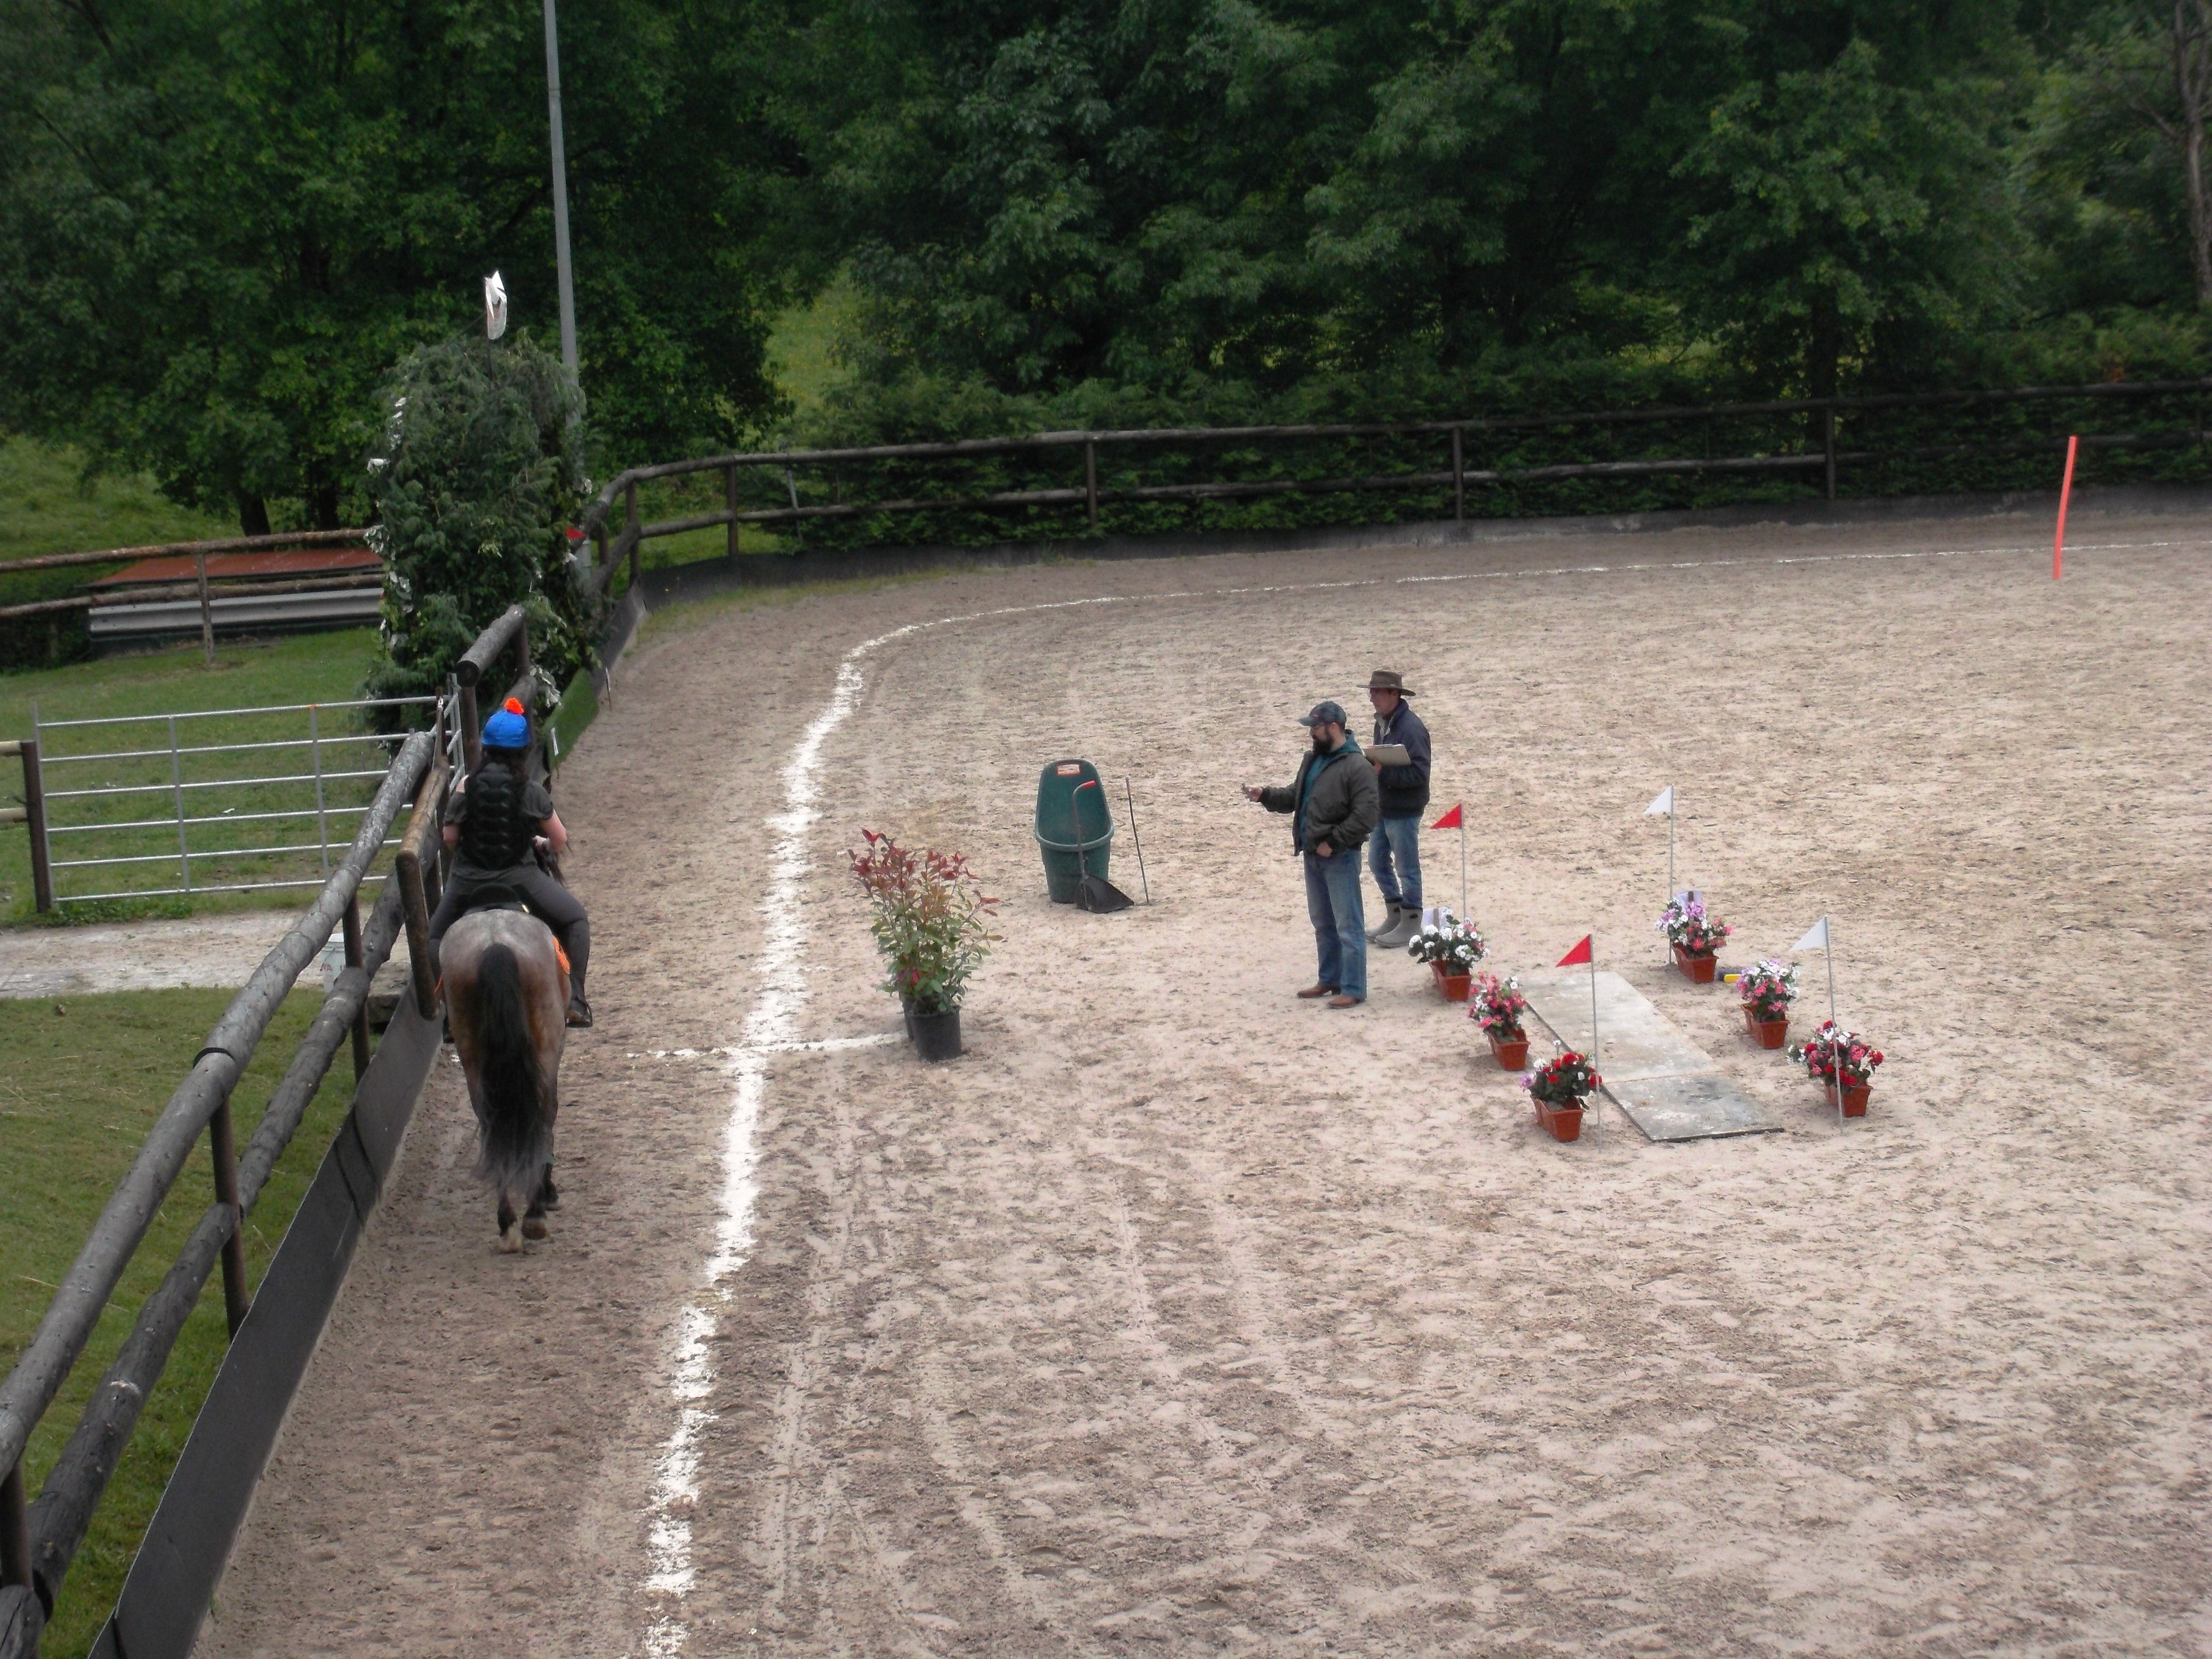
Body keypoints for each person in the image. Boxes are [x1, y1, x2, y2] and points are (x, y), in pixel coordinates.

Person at [428, 696, 594, 1027]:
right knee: (576, 920)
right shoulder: (530, 791)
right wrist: (541, 843)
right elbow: (559, 840)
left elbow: (449, 837)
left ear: (486, 749)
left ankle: (451, 1011)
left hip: (468, 881)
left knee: (434, 938)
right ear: (522, 751)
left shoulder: (465, 787)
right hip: (521, 879)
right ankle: (576, 998)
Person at [1243, 700, 1380, 1009]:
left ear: (1333, 728)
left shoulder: (1357, 766)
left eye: (1315, 728)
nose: (1311, 734)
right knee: (1323, 923)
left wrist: (1333, 842)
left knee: (1348, 926)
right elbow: (1296, 796)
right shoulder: (1313, 760)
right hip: (1313, 854)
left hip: (1339, 857)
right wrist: (1265, 795)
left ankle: (1354, 988)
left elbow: (1366, 816)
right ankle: (1330, 979)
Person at [1363, 669, 1432, 949]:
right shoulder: (1384, 723)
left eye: (1377, 692)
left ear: (1395, 694)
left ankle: (1411, 921)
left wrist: (1382, 772)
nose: (1372, 698)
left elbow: (1420, 775)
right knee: (1377, 862)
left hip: (1405, 809)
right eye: (1372, 692)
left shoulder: (1412, 728)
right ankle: (1395, 915)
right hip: (1385, 805)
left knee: (1407, 868)